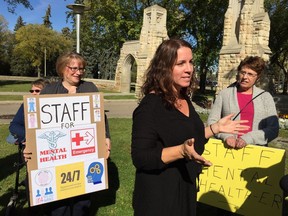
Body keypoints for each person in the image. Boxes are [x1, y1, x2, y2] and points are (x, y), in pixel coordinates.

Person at [131, 38, 249, 216]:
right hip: (159, 196)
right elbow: (141, 157)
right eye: (181, 63)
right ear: (164, 68)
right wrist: (180, 151)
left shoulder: (183, 98)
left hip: (185, 187)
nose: (189, 69)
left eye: (191, 62)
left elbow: (189, 137)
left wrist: (215, 128)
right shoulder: (150, 106)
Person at [24, 52, 111, 216]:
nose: (78, 72)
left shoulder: (89, 88)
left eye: (82, 69)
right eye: (74, 68)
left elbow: (100, 117)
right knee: (58, 205)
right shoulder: (49, 90)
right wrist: (29, 146)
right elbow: (36, 125)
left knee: (82, 201)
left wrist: (106, 136)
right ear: (63, 68)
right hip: (56, 156)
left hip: (83, 155)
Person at [207, 56, 279, 149]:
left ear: (257, 77)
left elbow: (273, 129)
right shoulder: (224, 94)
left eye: (250, 74)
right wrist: (226, 136)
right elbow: (212, 122)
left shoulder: (265, 97)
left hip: (256, 152)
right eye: (243, 72)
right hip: (227, 150)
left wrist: (249, 138)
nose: (245, 77)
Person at [8, 78, 49, 144]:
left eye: (37, 91)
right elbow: (14, 125)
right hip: (29, 139)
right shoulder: (26, 105)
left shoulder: (52, 105)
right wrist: (28, 136)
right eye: (32, 91)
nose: (34, 93)